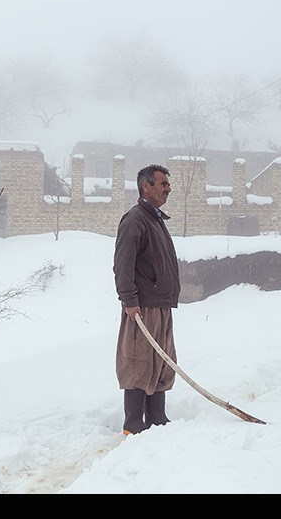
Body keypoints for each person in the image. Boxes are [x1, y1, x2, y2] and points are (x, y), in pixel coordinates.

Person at [112, 164, 181, 435]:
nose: (168, 189)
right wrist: (129, 299)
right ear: (146, 187)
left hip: (161, 304)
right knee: (139, 361)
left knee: (162, 360)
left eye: (167, 184)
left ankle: (156, 417)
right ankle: (133, 424)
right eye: (163, 184)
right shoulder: (135, 220)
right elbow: (123, 265)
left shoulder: (155, 219)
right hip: (141, 306)